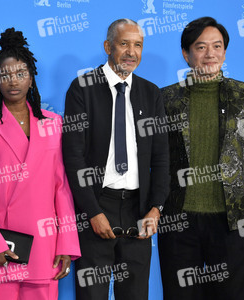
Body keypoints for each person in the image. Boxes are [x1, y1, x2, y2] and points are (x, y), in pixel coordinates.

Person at [158, 17, 244, 300]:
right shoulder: (165, 98)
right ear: (186, 54)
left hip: (232, 219)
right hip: (178, 220)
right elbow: (154, 158)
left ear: (224, 51)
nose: (210, 54)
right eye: (201, 47)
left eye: (217, 46)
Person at [0, 28, 80, 300]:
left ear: (31, 78)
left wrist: (65, 243)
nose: (12, 81)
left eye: (20, 73)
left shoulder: (53, 123)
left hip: (43, 245)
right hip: (0, 246)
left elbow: (61, 187)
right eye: (5, 75)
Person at [62, 19, 170, 299]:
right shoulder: (82, 88)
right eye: (124, 44)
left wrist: (155, 208)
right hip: (98, 206)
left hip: (139, 210)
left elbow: (161, 158)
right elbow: (73, 157)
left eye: (138, 45)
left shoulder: (151, 93)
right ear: (108, 47)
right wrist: (92, 212)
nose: (131, 52)